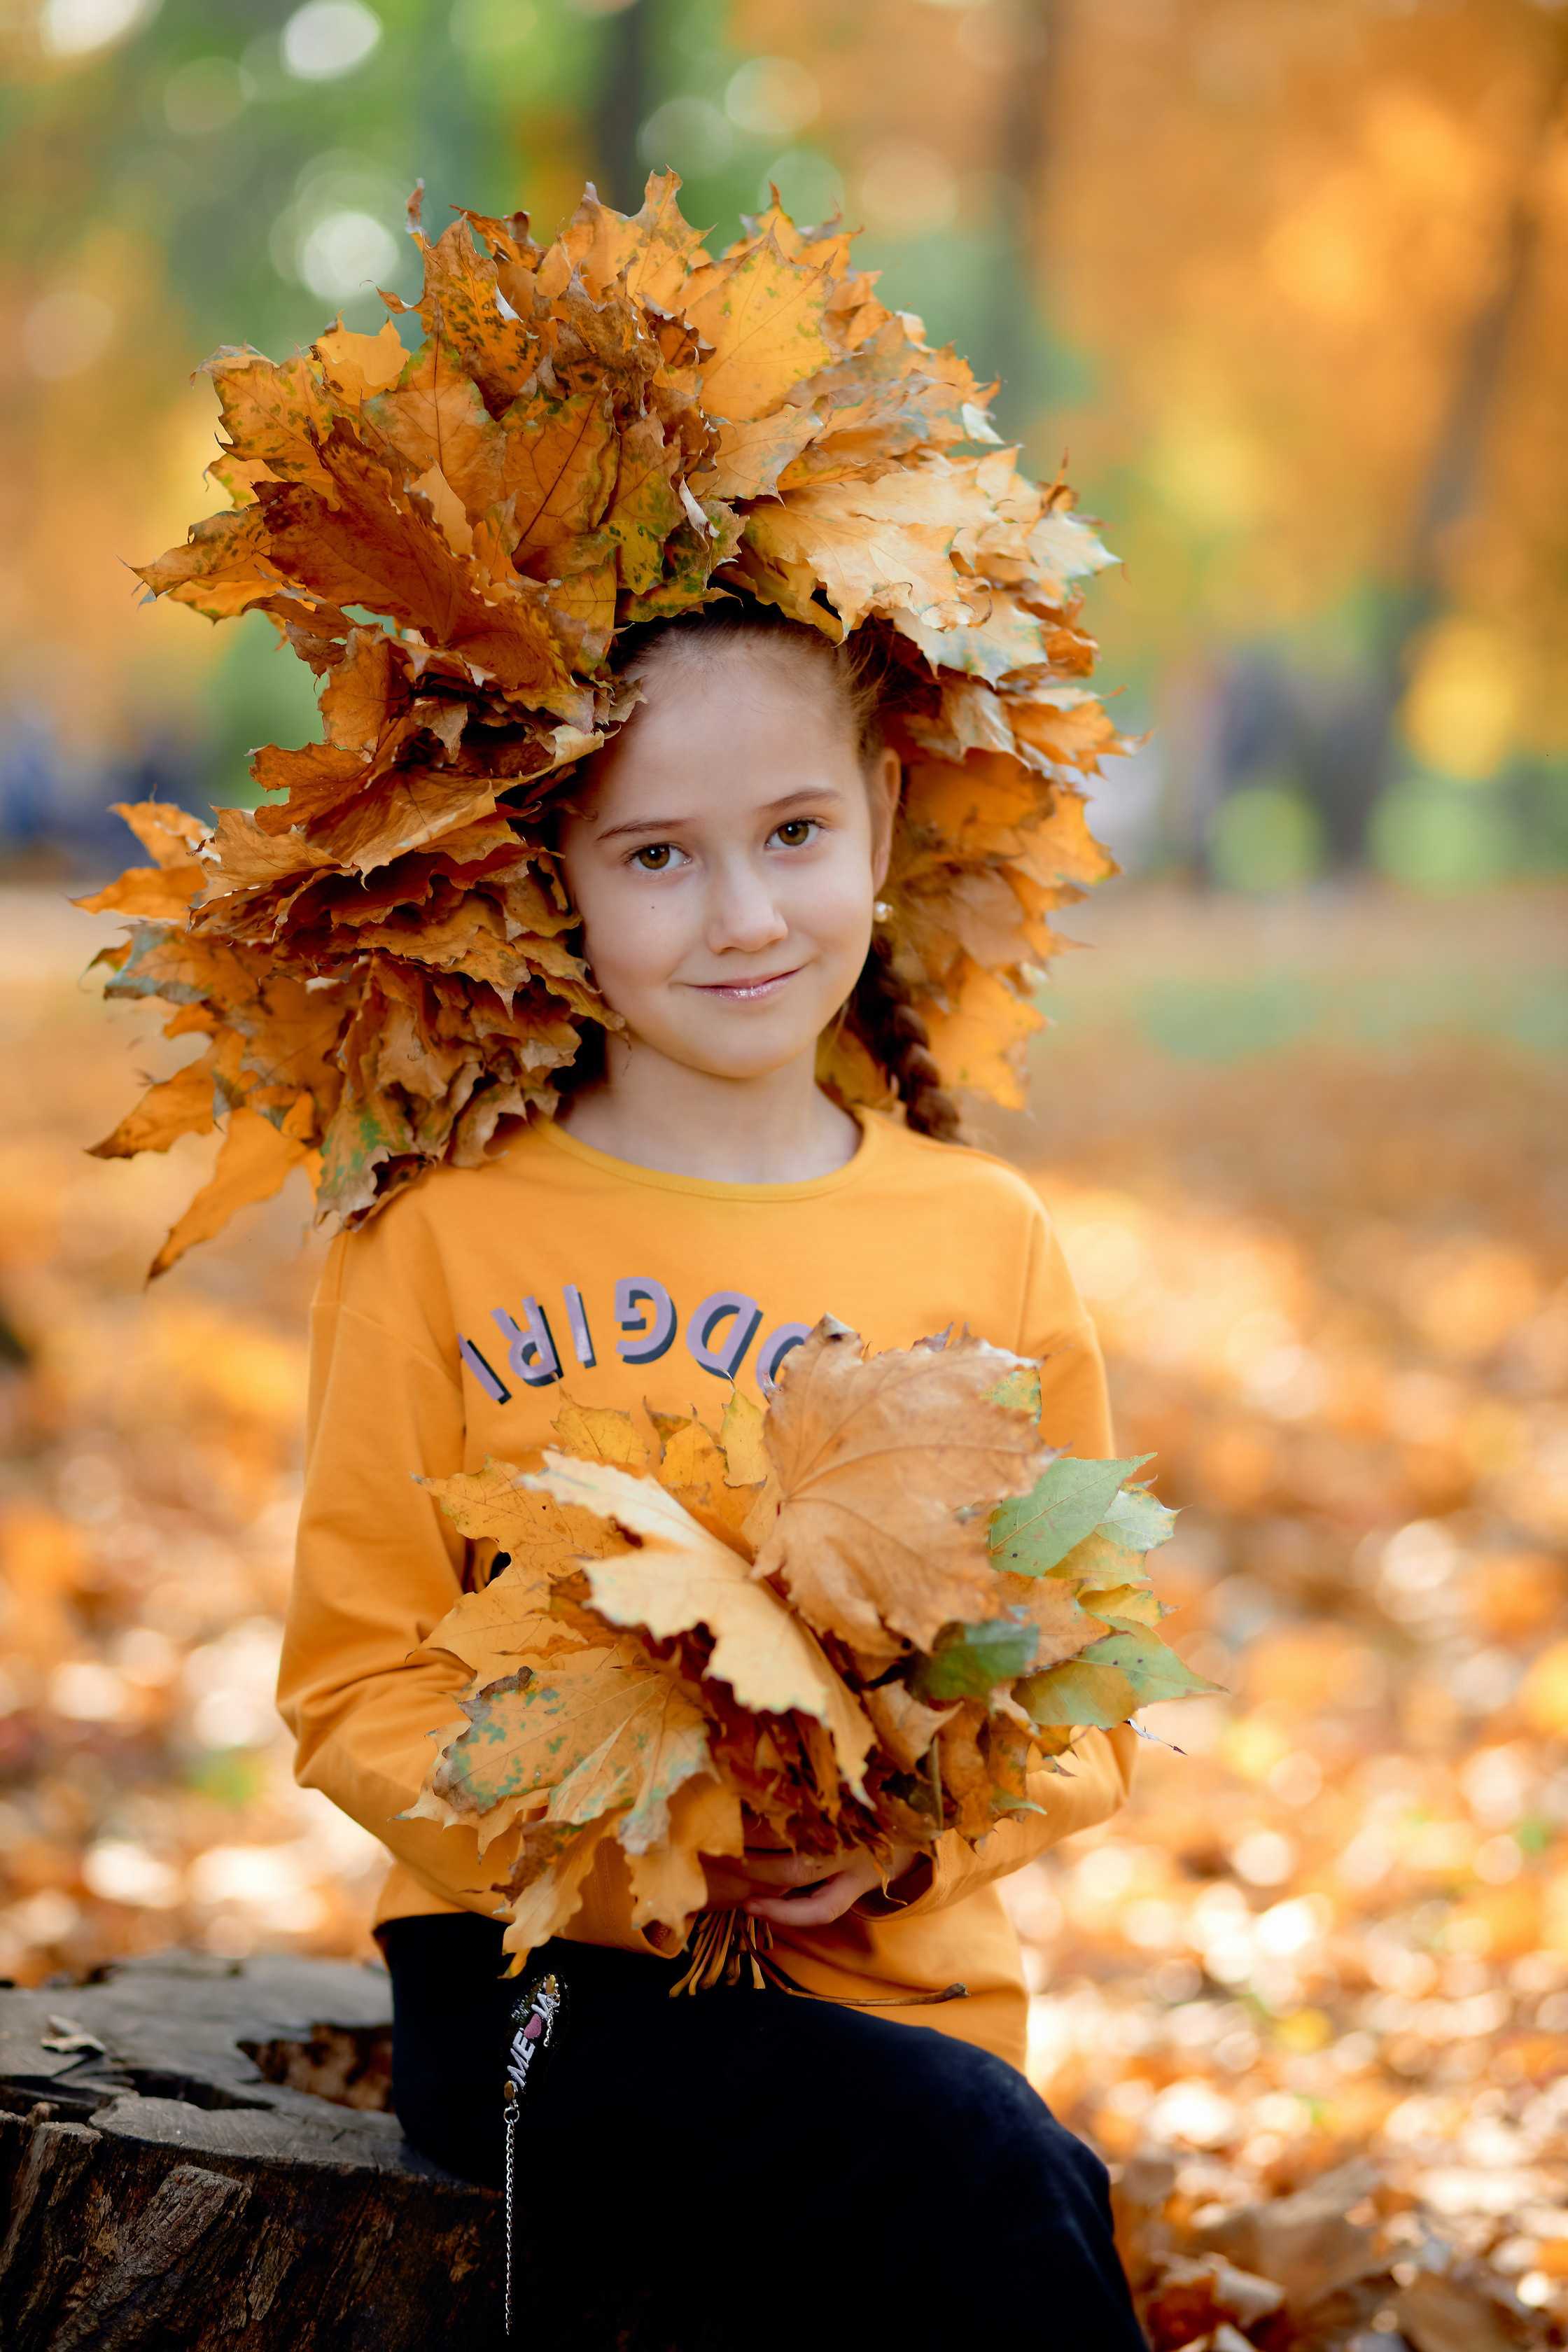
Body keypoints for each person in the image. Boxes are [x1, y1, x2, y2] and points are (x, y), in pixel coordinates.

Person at [279, 601, 1148, 2350]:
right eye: (659, 855)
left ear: (883, 822)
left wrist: (907, 1844)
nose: (745, 916)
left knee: (978, 2162)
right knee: (980, 2171)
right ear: (555, 875)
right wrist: (655, 1847)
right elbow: (350, 1684)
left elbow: (1086, 1696)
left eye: (794, 836)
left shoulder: (982, 1237)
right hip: (544, 1988)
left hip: (899, 1997)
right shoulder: (441, 1241)